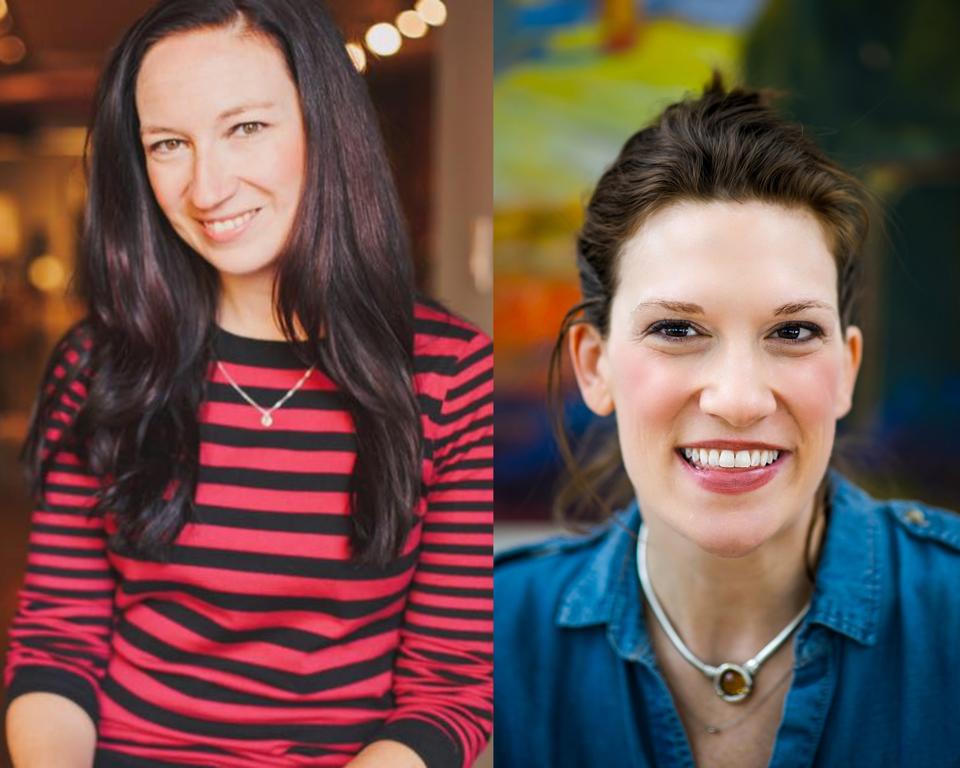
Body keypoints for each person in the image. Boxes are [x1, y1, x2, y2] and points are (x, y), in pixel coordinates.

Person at [3, 2, 492, 767]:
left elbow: (449, 690)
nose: (207, 188)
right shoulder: (100, 364)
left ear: (324, 128)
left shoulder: (450, 376)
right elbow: (58, 642)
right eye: (169, 144)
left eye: (246, 128)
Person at [494, 77, 960, 768]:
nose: (740, 400)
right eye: (678, 328)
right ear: (595, 367)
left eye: (794, 331)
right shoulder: (487, 639)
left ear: (847, 369)